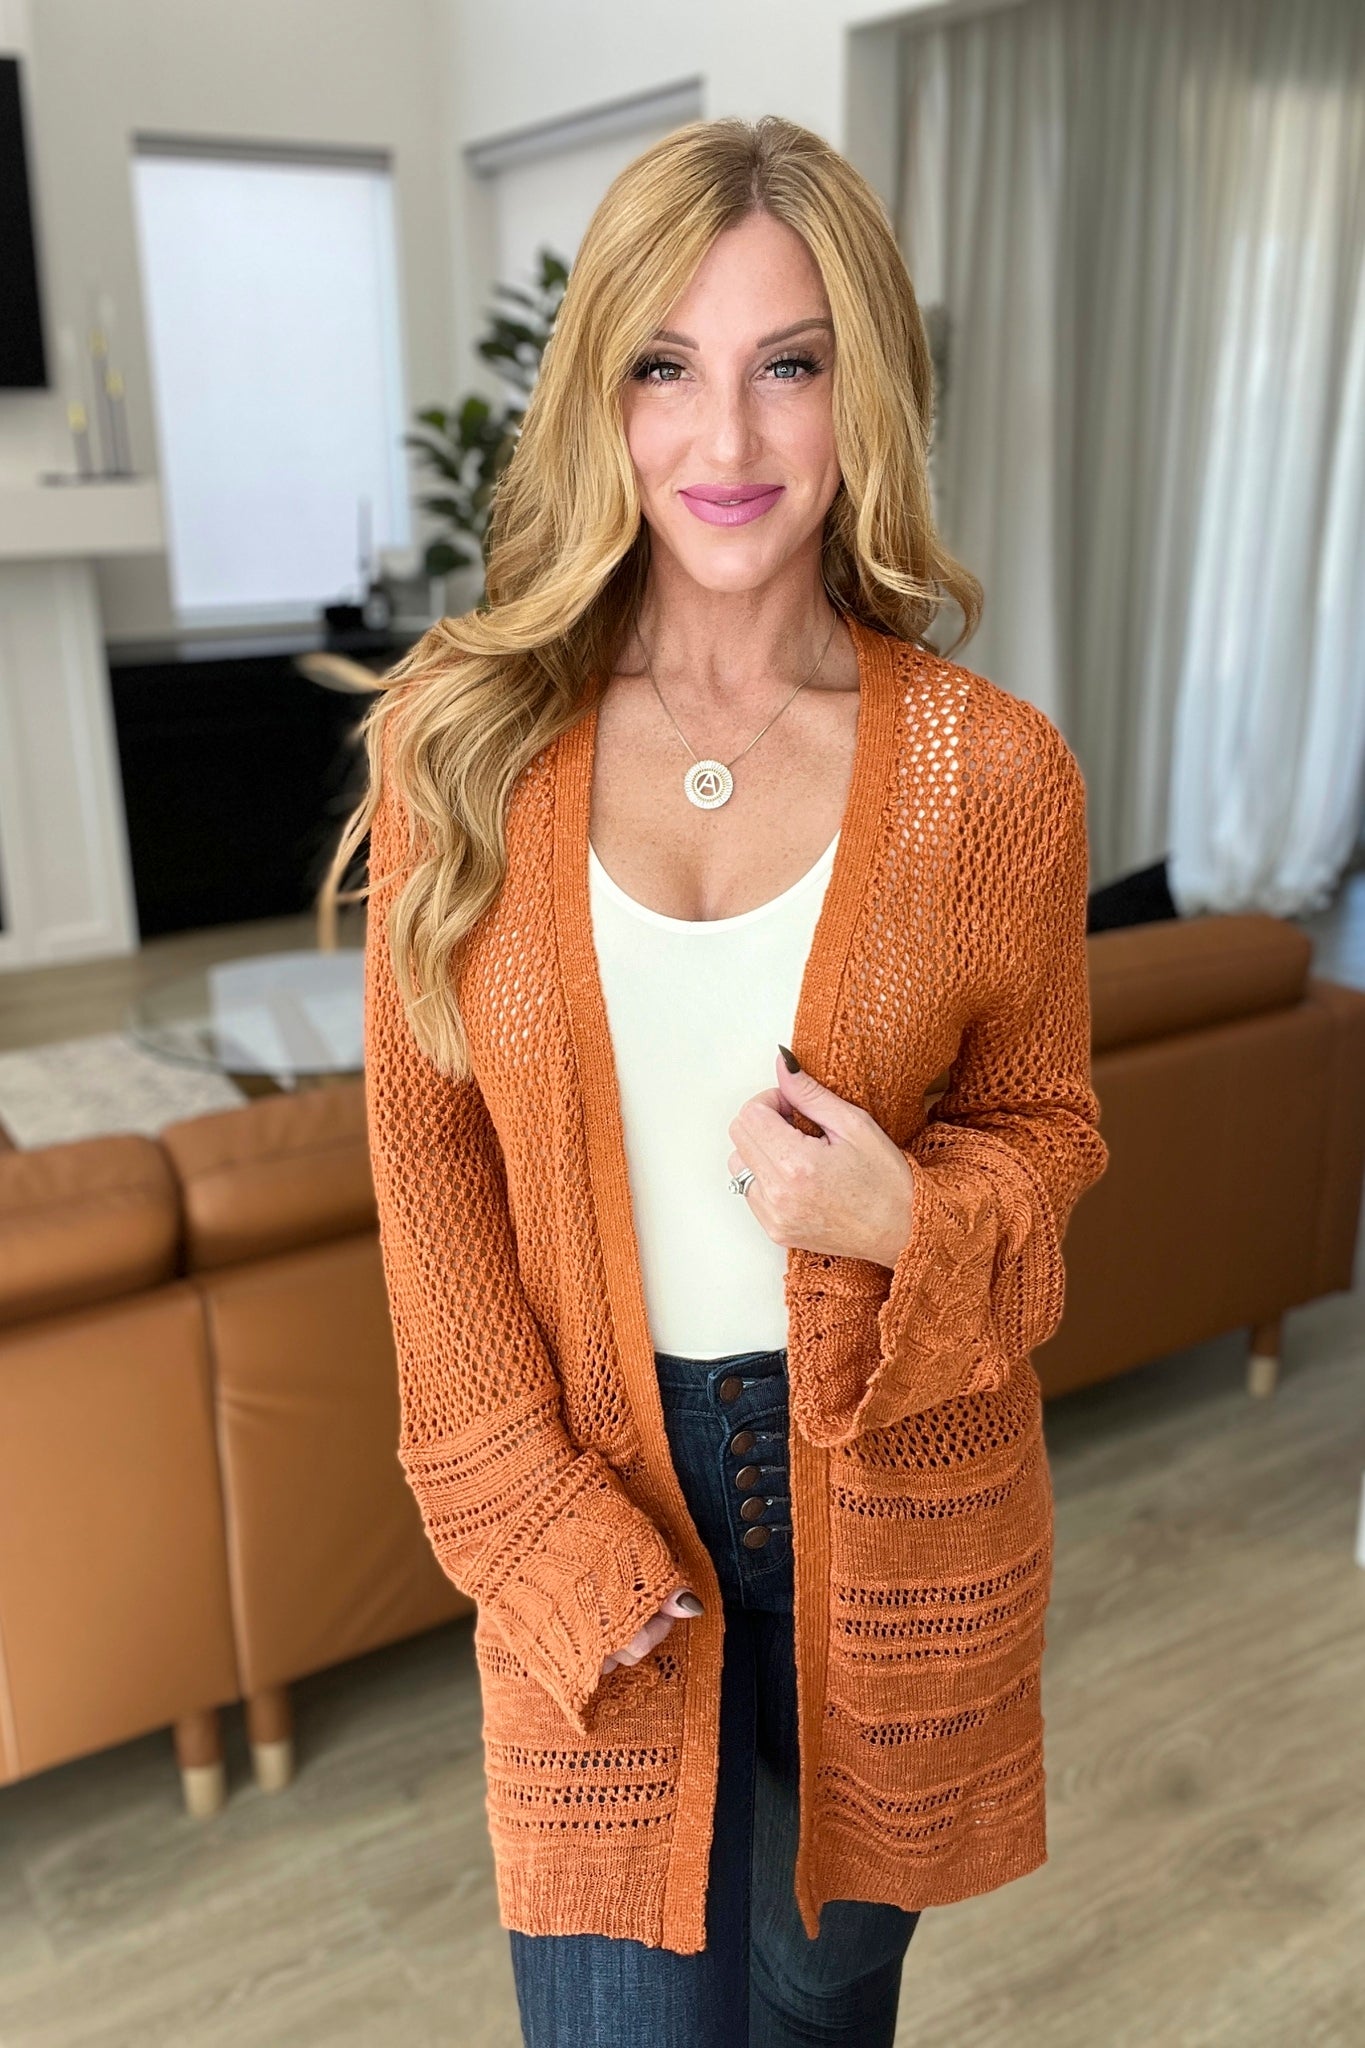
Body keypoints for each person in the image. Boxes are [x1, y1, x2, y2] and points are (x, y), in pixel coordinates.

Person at [328, 113, 1109, 2048]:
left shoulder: (989, 773)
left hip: (885, 1490)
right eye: (665, 367)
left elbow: (1048, 1135)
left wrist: (910, 1213)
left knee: (822, 2009)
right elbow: (427, 1170)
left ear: (865, 390)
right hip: (597, 1477)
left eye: (789, 363)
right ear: (599, 399)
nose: (728, 437)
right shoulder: (462, 744)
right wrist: (537, 1523)